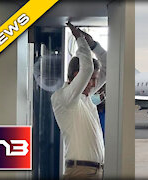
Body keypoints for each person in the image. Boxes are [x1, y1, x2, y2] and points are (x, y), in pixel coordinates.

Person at [51, 22, 106, 179]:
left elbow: (108, 67)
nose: (96, 84)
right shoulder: (64, 98)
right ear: (76, 75)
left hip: (95, 171)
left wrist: (94, 45)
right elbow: (87, 68)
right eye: (92, 79)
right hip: (81, 172)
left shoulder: (84, 97)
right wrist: (80, 40)